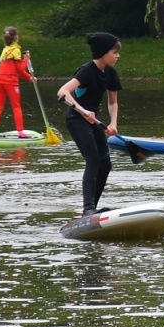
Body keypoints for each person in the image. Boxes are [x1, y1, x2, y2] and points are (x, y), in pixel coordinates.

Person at [57, 32, 120, 216]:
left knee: (105, 164)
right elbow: (63, 92)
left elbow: (112, 102)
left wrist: (113, 123)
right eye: (114, 52)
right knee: (93, 159)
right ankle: (87, 209)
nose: (118, 56)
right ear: (103, 52)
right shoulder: (86, 71)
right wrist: (83, 111)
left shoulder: (110, 73)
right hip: (76, 119)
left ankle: (93, 207)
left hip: (94, 121)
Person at [0, 25, 34, 137]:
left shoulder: (5, 50)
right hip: (10, 81)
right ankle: (20, 131)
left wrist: (29, 78)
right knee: (16, 106)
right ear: (16, 37)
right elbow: (20, 68)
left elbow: (16, 69)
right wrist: (26, 60)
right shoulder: (16, 50)